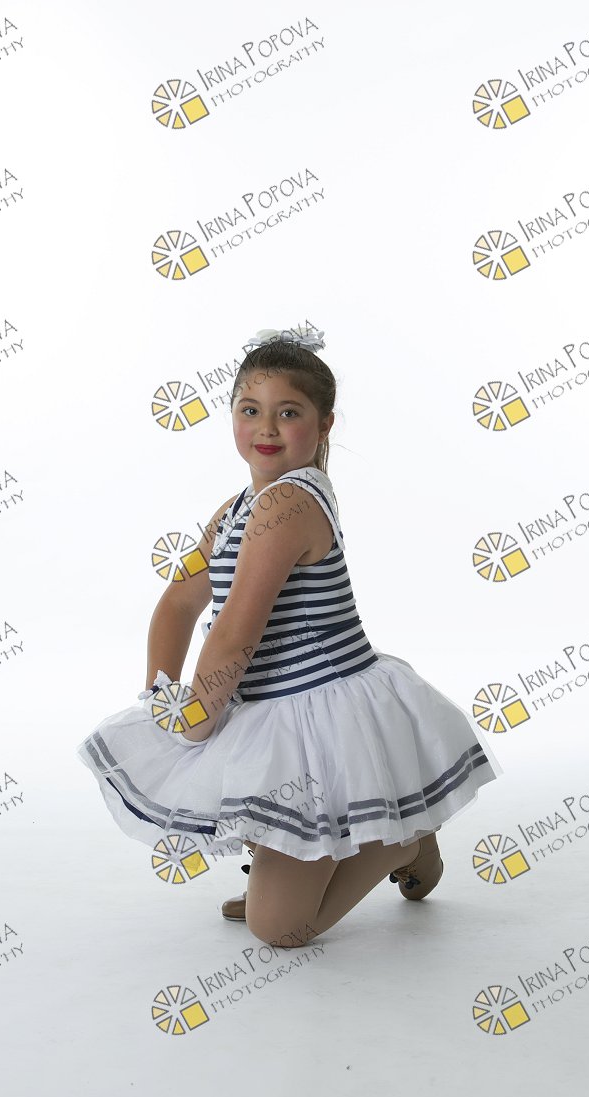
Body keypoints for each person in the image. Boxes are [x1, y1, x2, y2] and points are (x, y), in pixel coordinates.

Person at [76, 325, 504, 949]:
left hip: (325, 706)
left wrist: (195, 718)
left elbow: (234, 634)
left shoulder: (290, 505)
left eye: (289, 413)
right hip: (269, 706)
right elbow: (179, 602)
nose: (267, 429)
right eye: (250, 410)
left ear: (324, 424)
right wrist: (158, 695)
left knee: (279, 928)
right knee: (246, 774)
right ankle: (301, 863)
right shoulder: (235, 510)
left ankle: (404, 839)